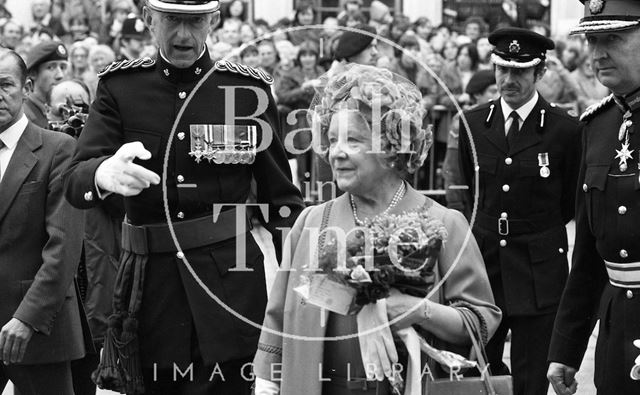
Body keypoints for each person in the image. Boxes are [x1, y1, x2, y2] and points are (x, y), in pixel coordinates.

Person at [62, 0, 305, 394]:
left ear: (214, 20)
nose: (183, 36)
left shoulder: (245, 92)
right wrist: (102, 173)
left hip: (231, 287)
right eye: (172, 20)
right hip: (150, 289)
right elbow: (75, 181)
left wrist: (306, 285)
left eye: (195, 22)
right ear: (147, 19)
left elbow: (282, 202)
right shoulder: (121, 89)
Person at [253, 64, 501, 395]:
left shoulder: (444, 224)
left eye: (352, 140)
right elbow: (278, 322)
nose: (335, 152)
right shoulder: (310, 222)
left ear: (391, 145)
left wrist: (418, 310)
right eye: (331, 139)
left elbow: (480, 321)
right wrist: (268, 386)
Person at [458, 28, 582, 395]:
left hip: (538, 272)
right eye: (502, 69)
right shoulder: (474, 124)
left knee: (531, 381)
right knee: (479, 376)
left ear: (540, 73)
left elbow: (568, 204)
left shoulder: (565, 130)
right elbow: (472, 191)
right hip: (485, 270)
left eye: (521, 72)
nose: (509, 80)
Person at [547, 1, 640, 394]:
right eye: (592, 39)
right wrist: (566, 347)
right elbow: (587, 254)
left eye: (613, 39)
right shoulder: (599, 125)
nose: (597, 53)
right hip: (616, 327)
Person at [0, 48, 88, 395]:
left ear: (27, 87)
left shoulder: (58, 150)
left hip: (36, 328)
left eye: (5, 85)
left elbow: (64, 246)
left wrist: (27, 318)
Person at [443, 69, 499, 217]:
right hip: (472, 200)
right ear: (477, 95)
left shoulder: (505, 118)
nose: (498, 96)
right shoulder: (462, 120)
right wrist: (455, 206)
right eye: (492, 92)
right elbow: (452, 167)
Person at [24, 40, 69, 129]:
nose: (60, 75)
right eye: (51, 67)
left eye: (63, 67)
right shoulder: (23, 115)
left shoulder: (68, 111)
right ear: (33, 73)